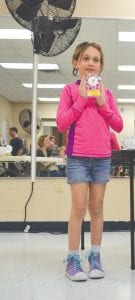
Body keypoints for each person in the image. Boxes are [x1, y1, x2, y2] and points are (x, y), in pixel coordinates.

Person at [56, 41, 123, 281]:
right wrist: (82, 99)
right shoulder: (69, 90)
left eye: (96, 60)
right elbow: (62, 123)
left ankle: (95, 257)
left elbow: (118, 124)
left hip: (102, 158)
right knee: (78, 208)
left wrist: (103, 104)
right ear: (76, 63)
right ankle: (73, 260)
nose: (91, 63)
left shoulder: (107, 94)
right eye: (86, 58)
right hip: (78, 158)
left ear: (101, 66)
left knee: (97, 209)